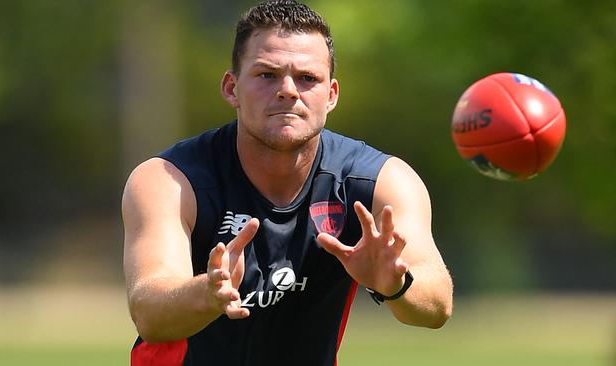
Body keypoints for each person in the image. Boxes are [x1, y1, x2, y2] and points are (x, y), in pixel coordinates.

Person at [122, 1, 453, 365]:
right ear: (232, 88)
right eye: (267, 75)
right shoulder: (170, 179)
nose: (288, 91)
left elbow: (437, 305)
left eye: (308, 78)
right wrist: (208, 293)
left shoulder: (381, 181)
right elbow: (149, 311)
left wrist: (396, 285)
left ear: (331, 96)